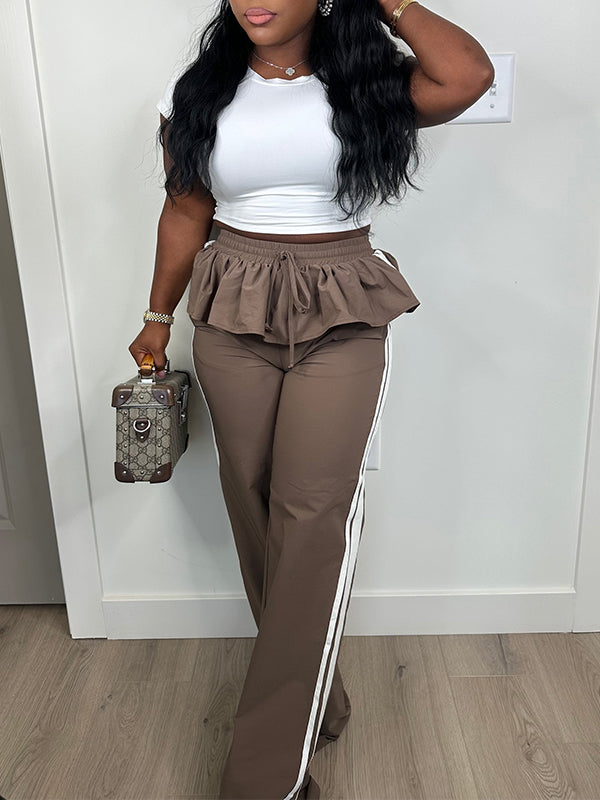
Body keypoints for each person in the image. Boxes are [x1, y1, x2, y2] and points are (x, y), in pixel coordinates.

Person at [129, 1, 494, 797]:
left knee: (311, 513)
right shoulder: (198, 88)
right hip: (233, 300)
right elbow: (186, 206)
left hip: (342, 303)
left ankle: (264, 776)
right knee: (252, 500)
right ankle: (314, 693)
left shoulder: (368, 81)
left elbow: (467, 74)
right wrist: (157, 317)